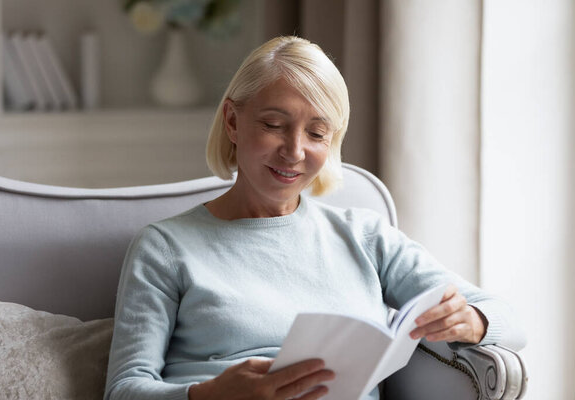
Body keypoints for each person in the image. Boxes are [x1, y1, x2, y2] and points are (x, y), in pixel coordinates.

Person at [104, 36, 525, 400]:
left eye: (317, 133)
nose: (295, 150)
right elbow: (123, 389)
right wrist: (208, 394)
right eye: (274, 124)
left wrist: (472, 320)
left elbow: (511, 322)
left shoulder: (365, 236)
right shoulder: (164, 247)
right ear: (233, 121)